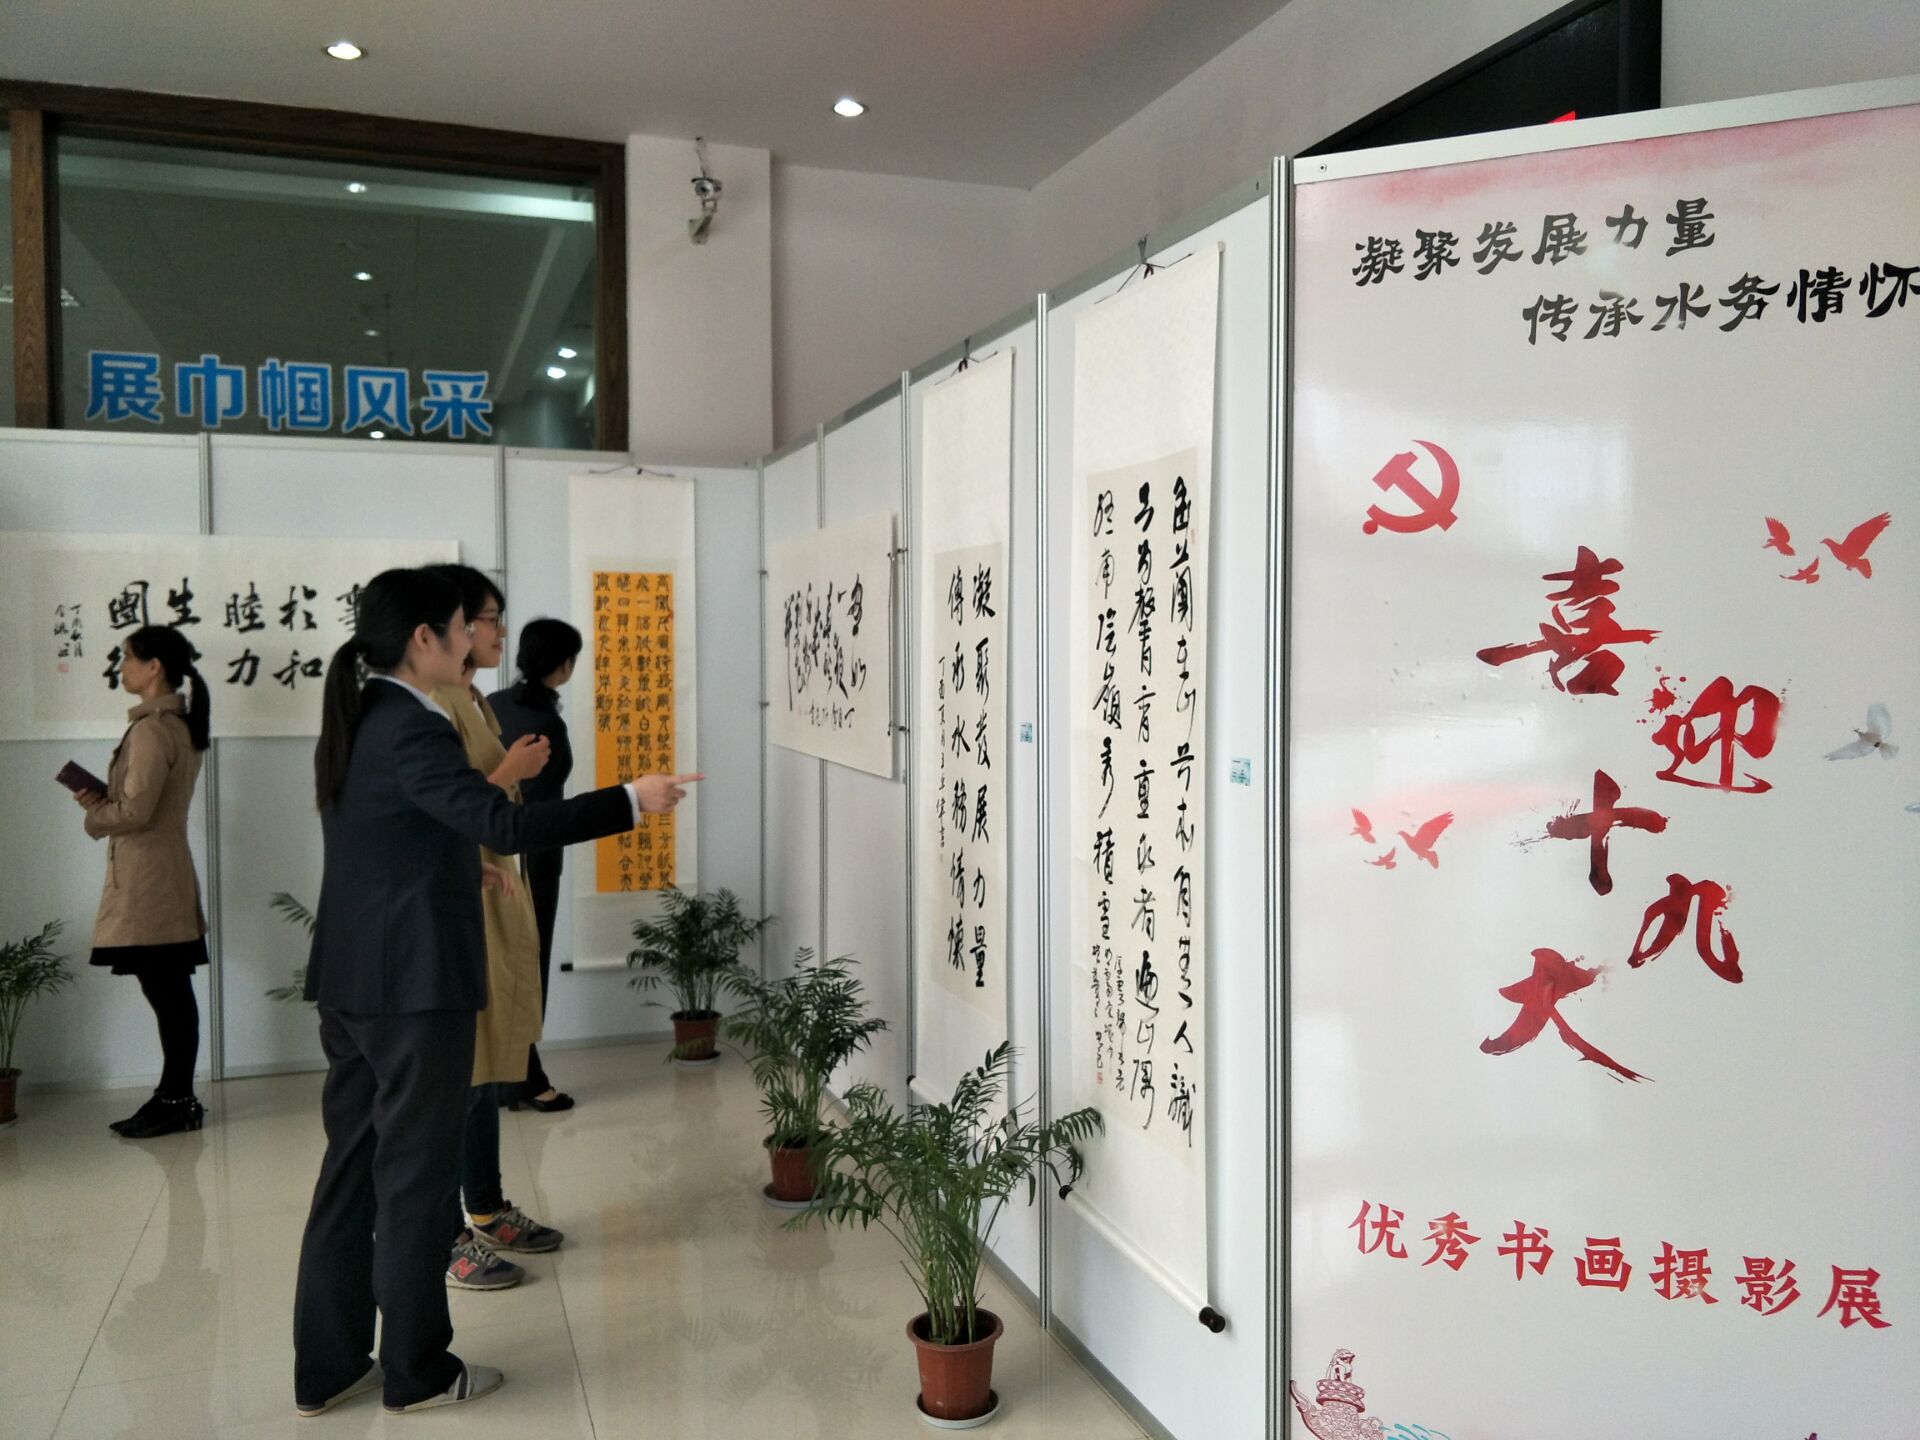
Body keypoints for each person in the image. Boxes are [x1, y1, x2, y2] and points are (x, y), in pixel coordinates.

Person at [292, 567, 698, 1418]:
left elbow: (391, 836)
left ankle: (327, 1368)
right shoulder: (415, 723)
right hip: (413, 989)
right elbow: (506, 822)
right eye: (463, 624)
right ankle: (418, 1372)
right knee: (414, 1181)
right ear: (425, 639)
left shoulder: (363, 713)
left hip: (355, 979)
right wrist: (631, 800)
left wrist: (454, 868)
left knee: (351, 1173)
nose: (477, 639)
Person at [421, 564, 564, 1292]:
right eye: (486, 619)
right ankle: (445, 1232)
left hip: (489, 885)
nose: (499, 632)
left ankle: (485, 1205)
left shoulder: (470, 695)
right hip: (457, 901)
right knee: (457, 1073)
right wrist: (512, 767)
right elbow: (441, 809)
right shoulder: (427, 706)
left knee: (483, 1066)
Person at [74, 625, 213, 1140]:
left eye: (128, 658)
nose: (121, 668)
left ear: (154, 667)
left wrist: (95, 816)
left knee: (167, 991)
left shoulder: (153, 729)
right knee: (170, 989)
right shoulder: (173, 724)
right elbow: (141, 803)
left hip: (149, 881)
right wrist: (103, 801)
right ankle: (175, 1096)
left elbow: (136, 811)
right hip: (161, 873)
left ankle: (176, 1099)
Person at [488, 618, 583, 1113]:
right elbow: (541, 796)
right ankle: (526, 1076)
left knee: (503, 961)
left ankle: (505, 1074)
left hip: (490, 849)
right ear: (562, 664)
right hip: (534, 852)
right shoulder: (547, 723)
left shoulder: (493, 704)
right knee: (530, 960)